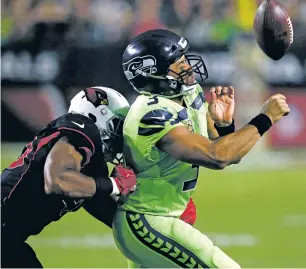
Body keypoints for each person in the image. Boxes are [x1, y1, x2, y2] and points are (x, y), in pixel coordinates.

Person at [112, 29, 290, 268]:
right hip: (147, 220)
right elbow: (217, 156)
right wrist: (265, 118)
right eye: (179, 62)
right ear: (152, 72)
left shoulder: (187, 93)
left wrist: (224, 125)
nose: (188, 66)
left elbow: (224, 147)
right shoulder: (151, 114)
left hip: (166, 214)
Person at [1, 86, 137, 268]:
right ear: (96, 115)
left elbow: (106, 209)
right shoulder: (82, 128)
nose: (120, 135)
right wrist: (115, 184)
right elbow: (58, 180)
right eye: (117, 125)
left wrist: (152, 224)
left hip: (8, 237)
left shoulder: (91, 165)